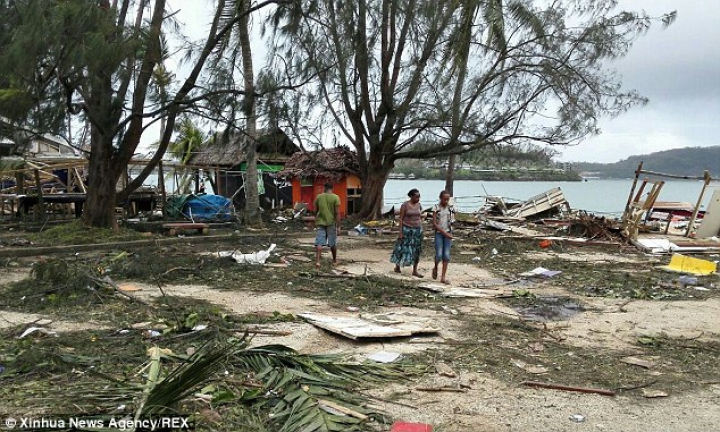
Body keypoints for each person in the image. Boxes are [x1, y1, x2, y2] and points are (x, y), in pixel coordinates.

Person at [390, 188, 424, 277]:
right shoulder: (405, 205)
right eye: (416, 196)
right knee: (402, 248)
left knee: (416, 250)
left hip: (417, 230)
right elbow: (400, 219)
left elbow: (420, 217)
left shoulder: (419, 205)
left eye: (419, 196)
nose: (418, 198)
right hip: (406, 229)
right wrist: (400, 232)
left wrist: (421, 228)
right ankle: (397, 266)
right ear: (411, 196)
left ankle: (415, 270)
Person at [314, 182, 341, 268]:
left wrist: (316, 219)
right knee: (332, 243)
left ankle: (318, 262)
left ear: (324, 188)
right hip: (331, 223)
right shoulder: (335, 197)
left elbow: (316, 210)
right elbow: (337, 213)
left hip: (321, 223)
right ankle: (334, 261)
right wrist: (339, 226)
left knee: (319, 242)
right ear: (332, 188)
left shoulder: (319, 197)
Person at [432, 190, 455, 284]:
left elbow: (453, 220)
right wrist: (443, 232)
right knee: (439, 254)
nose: (446, 201)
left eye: (447, 200)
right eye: (444, 199)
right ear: (440, 198)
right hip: (439, 233)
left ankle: (443, 277)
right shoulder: (436, 208)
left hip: (448, 232)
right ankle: (436, 266)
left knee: (446, 254)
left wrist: (451, 231)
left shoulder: (451, 208)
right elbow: (434, 223)